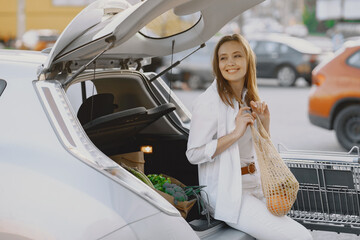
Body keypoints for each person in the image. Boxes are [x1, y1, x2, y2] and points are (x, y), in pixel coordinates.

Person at [186, 34, 312, 240]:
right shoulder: (208, 101)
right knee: (300, 237)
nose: (230, 63)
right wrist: (235, 133)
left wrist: (264, 124)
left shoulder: (247, 96)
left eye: (237, 56)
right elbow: (193, 154)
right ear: (217, 64)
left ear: (248, 60)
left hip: (257, 185)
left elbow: (258, 149)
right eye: (223, 58)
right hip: (230, 193)